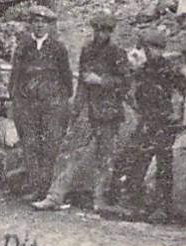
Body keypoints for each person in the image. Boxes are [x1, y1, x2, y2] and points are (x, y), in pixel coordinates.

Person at [34, 12, 129, 212]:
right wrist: (76, 107)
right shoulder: (87, 49)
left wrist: (102, 81)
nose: (102, 34)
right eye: (98, 29)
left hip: (109, 111)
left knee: (105, 157)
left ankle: (99, 200)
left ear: (111, 32)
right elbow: (81, 82)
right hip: (87, 108)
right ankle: (54, 196)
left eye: (106, 30)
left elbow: (126, 83)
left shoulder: (117, 53)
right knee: (70, 152)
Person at [112, 27, 186, 221]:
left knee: (163, 164)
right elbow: (130, 91)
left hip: (164, 122)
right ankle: (133, 203)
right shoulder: (143, 70)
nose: (150, 52)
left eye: (154, 48)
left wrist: (178, 114)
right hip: (146, 121)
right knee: (138, 159)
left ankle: (162, 208)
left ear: (161, 49)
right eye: (148, 48)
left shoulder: (170, 70)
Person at [9, 5, 72, 203]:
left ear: (49, 26)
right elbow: (16, 75)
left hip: (51, 104)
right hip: (27, 105)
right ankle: (35, 187)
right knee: (30, 144)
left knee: (50, 145)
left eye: (43, 22)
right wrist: (16, 98)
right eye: (35, 21)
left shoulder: (58, 48)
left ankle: (46, 189)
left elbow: (66, 78)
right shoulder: (23, 46)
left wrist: (60, 101)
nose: (39, 25)